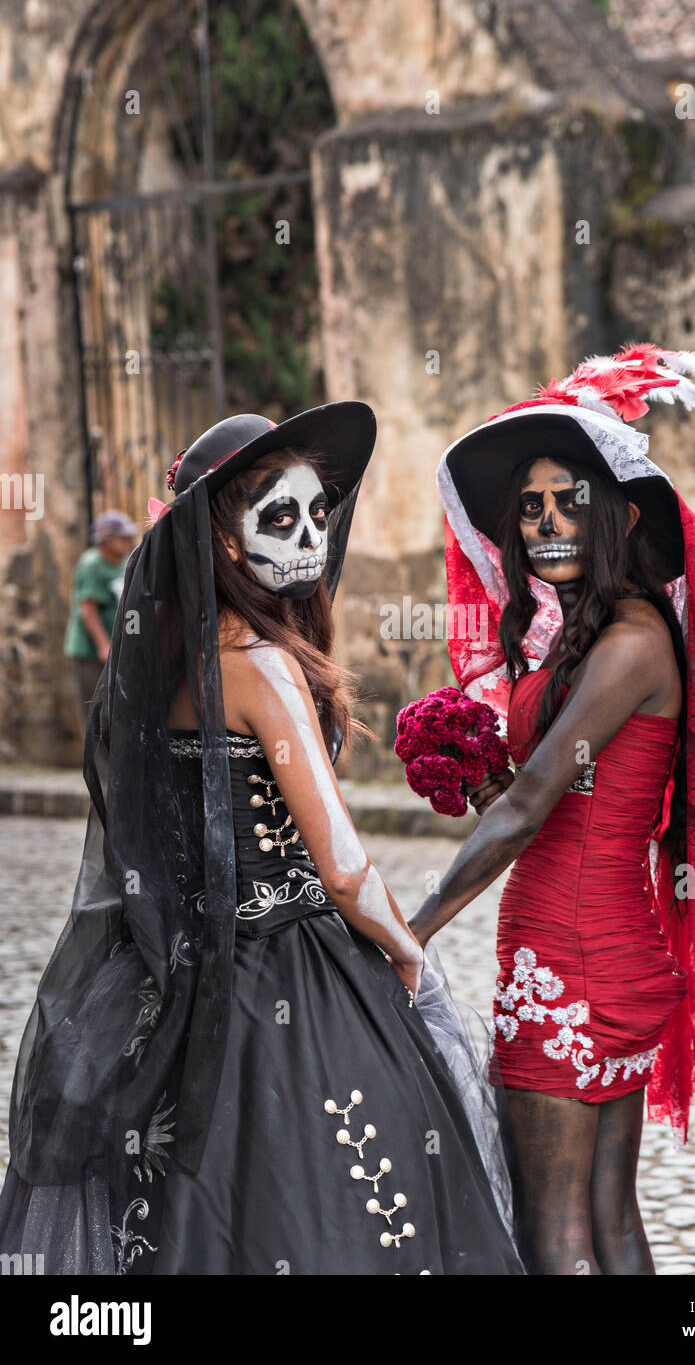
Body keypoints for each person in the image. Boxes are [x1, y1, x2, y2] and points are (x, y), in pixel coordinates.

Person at [0, 406, 522, 1276]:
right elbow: (344, 870)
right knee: (336, 1199)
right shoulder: (260, 665)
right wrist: (409, 957)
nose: (310, 535)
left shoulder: (167, 658)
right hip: (289, 967)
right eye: (279, 517)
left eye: (318, 512)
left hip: (172, 977)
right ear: (225, 541)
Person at [409, 345, 695, 1276]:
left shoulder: (627, 644)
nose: (544, 520)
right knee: (608, 1221)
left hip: (572, 959)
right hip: (598, 954)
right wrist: (482, 772)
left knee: (555, 1239)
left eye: (566, 501)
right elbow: (550, 789)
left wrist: (406, 931)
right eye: (529, 506)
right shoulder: (596, 641)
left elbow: (529, 813)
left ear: (616, 516)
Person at [64, 509, 137, 719]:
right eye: (123, 537)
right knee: (95, 710)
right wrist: (103, 645)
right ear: (107, 539)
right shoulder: (92, 563)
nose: (129, 540)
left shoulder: (125, 562)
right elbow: (88, 610)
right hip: (91, 652)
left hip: (115, 649)